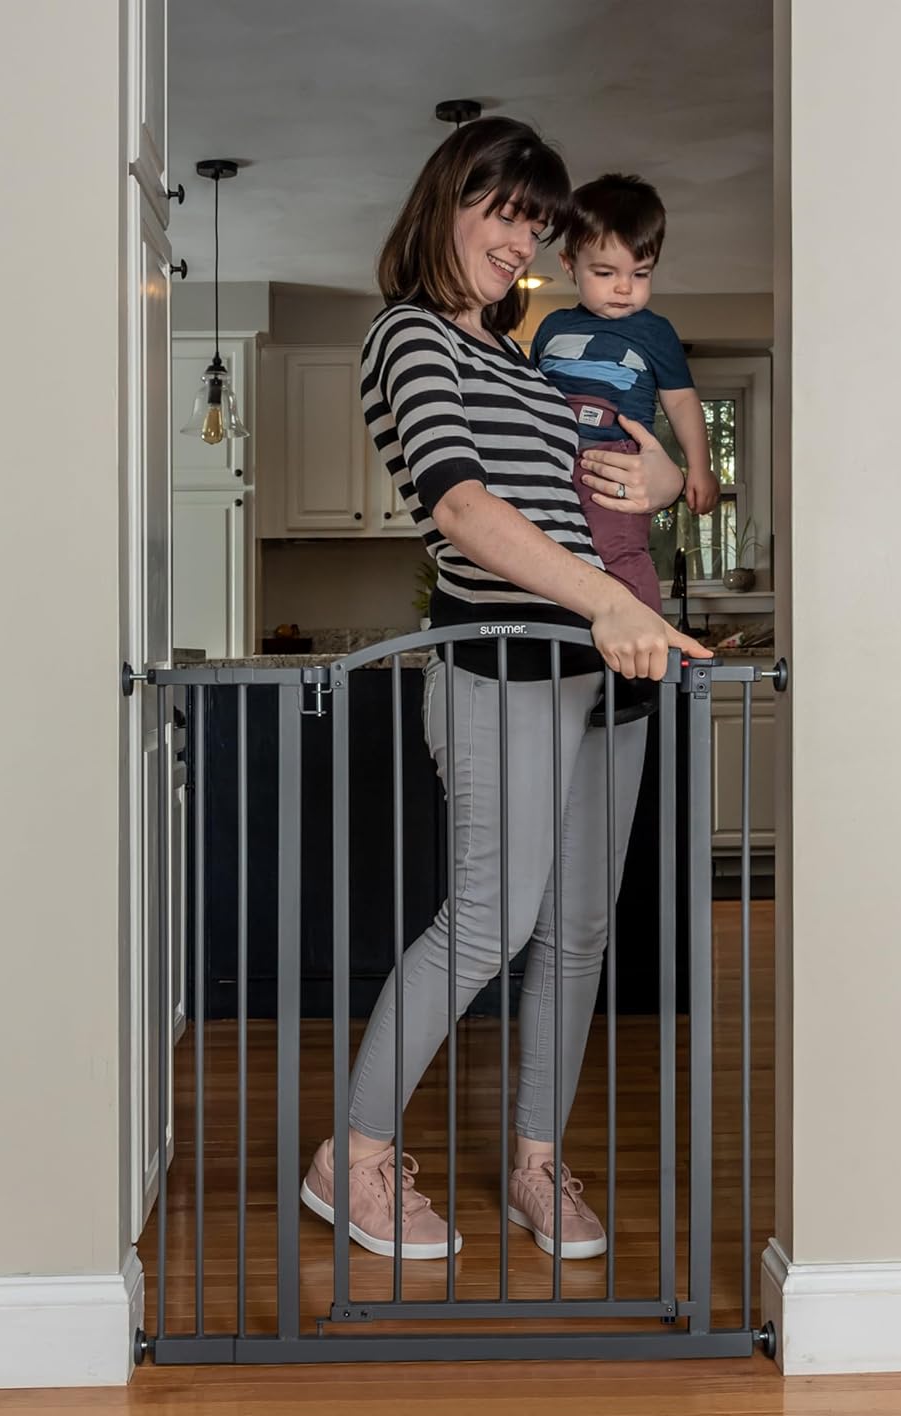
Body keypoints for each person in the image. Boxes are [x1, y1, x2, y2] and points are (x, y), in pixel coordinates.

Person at [299, 117, 709, 1262]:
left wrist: (664, 481)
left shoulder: (522, 356)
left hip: (603, 665)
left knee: (577, 934)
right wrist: (609, 603)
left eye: (536, 223)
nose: (522, 239)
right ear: (448, 200)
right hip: (505, 653)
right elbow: (462, 507)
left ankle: (535, 1163)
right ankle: (352, 1155)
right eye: (505, 211)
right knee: (488, 920)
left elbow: (598, 485)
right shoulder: (408, 334)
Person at [531, 173, 719, 619]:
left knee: (616, 552)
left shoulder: (655, 332)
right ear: (568, 264)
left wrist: (700, 467)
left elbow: (681, 401)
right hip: (551, 462)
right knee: (548, 560)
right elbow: (532, 395)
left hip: (619, 462)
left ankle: (645, 645)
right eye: (605, 273)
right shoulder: (552, 327)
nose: (624, 287)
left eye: (640, 274)